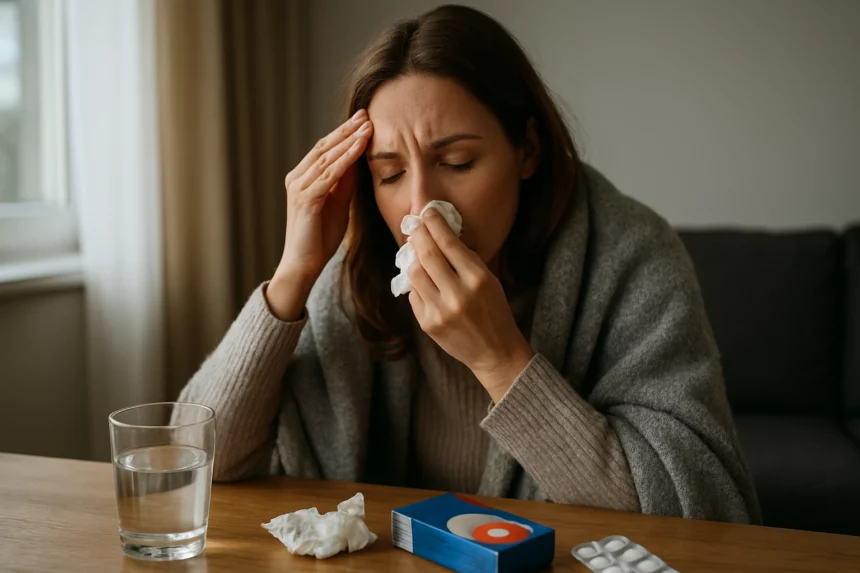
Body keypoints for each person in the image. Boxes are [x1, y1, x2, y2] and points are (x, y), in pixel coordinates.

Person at [178, 4, 760, 523]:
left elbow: (701, 512)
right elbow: (201, 463)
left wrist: (500, 359)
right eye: (390, 174)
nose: (419, 206)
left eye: (457, 161)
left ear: (526, 150)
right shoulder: (357, 273)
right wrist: (293, 275)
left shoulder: (633, 257)